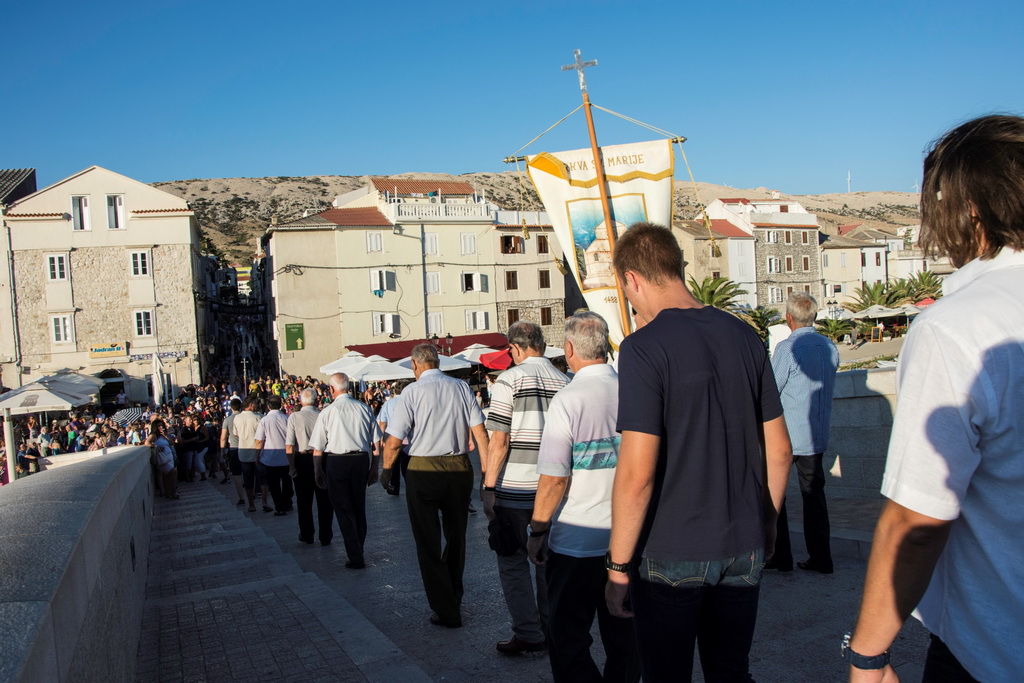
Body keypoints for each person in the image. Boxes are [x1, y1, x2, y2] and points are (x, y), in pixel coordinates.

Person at [848, 115, 1024, 681]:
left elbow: (915, 518)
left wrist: (868, 656)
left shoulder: (956, 326)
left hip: (992, 650)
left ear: (970, 206)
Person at [605, 222, 793, 681]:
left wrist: (617, 566)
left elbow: (637, 475)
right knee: (731, 671)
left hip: (672, 550)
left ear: (632, 279)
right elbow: (780, 450)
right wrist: (767, 524)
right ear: (678, 267)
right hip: (743, 541)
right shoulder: (746, 336)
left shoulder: (642, 349)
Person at [527, 311, 640, 683]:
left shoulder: (568, 400)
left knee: (567, 636)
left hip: (577, 543)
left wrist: (538, 532)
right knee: (624, 635)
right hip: (628, 538)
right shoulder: (635, 390)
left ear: (570, 348)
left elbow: (554, 479)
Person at [382, 343, 490, 628]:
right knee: (457, 538)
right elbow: (481, 434)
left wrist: (385, 471)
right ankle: (454, 595)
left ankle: (446, 610)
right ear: (438, 362)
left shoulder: (411, 393)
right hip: (458, 469)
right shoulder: (462, 387)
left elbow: (394, 441)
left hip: (422, 469)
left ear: (415, 365)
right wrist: (487, 477)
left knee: (427, 541)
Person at [483, 320, 569, 654]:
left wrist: (489, 486)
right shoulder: (565, 380)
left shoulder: (509, 379)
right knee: (546, 560)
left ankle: (528, 633)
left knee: (513, 562)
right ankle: (550, 629)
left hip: (515, 488)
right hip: (554, 489)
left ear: (515, 349)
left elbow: (499, 439)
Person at [767, 291, 840, 574]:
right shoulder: (829, 346)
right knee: (814, 497)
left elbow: (772, 389)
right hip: (817, 435)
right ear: (815, 317)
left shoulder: (787, 349)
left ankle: (780, 556)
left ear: (789, 318)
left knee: (777, 496)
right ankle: (821, 557)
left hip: (788, 436)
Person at [309, 373, 380, 569]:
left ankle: (355, 554)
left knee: (342, 507)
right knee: (358, 506)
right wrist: (374, 467)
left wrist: (317, 470)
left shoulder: (328, 412)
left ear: (331, 389)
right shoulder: (364, 408)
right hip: (360, 460)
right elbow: (377, 442)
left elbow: (318, 448)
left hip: (337, 461)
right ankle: (359, 548)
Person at [286, 388, 334, 546]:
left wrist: (292, 466)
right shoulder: (323, 414)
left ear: (301, 400)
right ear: (316, 400)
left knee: (303, 500)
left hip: (303, 459)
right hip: (323, 457)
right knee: (325, 500)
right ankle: (325, 535)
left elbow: (289, 445)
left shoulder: (294, 416)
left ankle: (307, 534)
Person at [255, 395, 292, 515]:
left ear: (268, 406)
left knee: (274, 484)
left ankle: (279, 507)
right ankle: (287, 503)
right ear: (280, 405)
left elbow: (259, 440)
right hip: (286, 457)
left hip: (270, 458)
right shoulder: (286, 418)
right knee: (287, 482)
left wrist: (256, 455)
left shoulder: (264, 420)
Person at [376, 380, 410, 496]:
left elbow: (382, 423)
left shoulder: (388, 404)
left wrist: (381, 440)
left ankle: (394, 488)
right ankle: (410, 489)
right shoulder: (411, 401)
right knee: (407, 469)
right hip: (409, 441)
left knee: (394, 466)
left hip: (392, 439)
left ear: (395, 391)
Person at [231, 398, 262, 512]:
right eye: (255, 403)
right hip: (257, 451)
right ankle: (264, 502)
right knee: (261, 478)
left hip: (243, 451)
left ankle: (251, 504)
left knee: (247, 479)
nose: (256, 405)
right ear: (250, 405)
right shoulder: (257, 417)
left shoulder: (237, 418)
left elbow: (235, 433)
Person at [221, 398, 247, 506]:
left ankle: (241, 497)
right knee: (248, 471)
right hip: (246, 447)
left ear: (231, 407)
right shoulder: (245, 418)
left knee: (236, 474)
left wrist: (222, 450)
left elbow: (223, 437)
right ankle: (252, 492)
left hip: (234, 448)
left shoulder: (227, 420)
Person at [147, 419, 179, 500]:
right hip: (161, 457)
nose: (161, 427)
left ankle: (168, 492)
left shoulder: (165, 434)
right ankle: (173, 491)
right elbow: (147, 443)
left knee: (168, 476)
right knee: (172, 472)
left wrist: (165, 435)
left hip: (169, 456)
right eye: (159, 426)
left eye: (162, 425)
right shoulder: (154, 435)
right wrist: (156, 446)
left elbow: (172, 443)